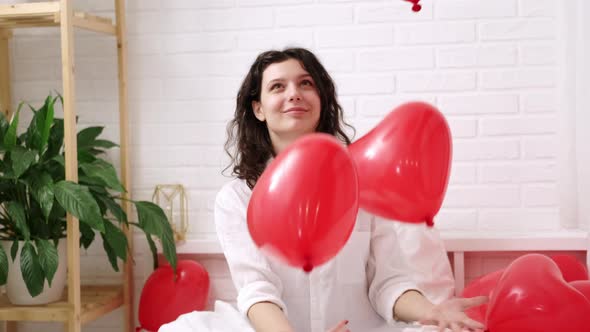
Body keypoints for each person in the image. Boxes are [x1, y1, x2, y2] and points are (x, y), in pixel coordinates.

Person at [215, 47, 487, 332]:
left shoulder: (363, 184)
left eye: (306, 83)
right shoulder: (237, 199)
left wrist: (431, 310)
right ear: (258, 108)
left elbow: (388, 281)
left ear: (321, 100)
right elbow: (257, 291)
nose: (294, 93)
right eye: (277, 86)